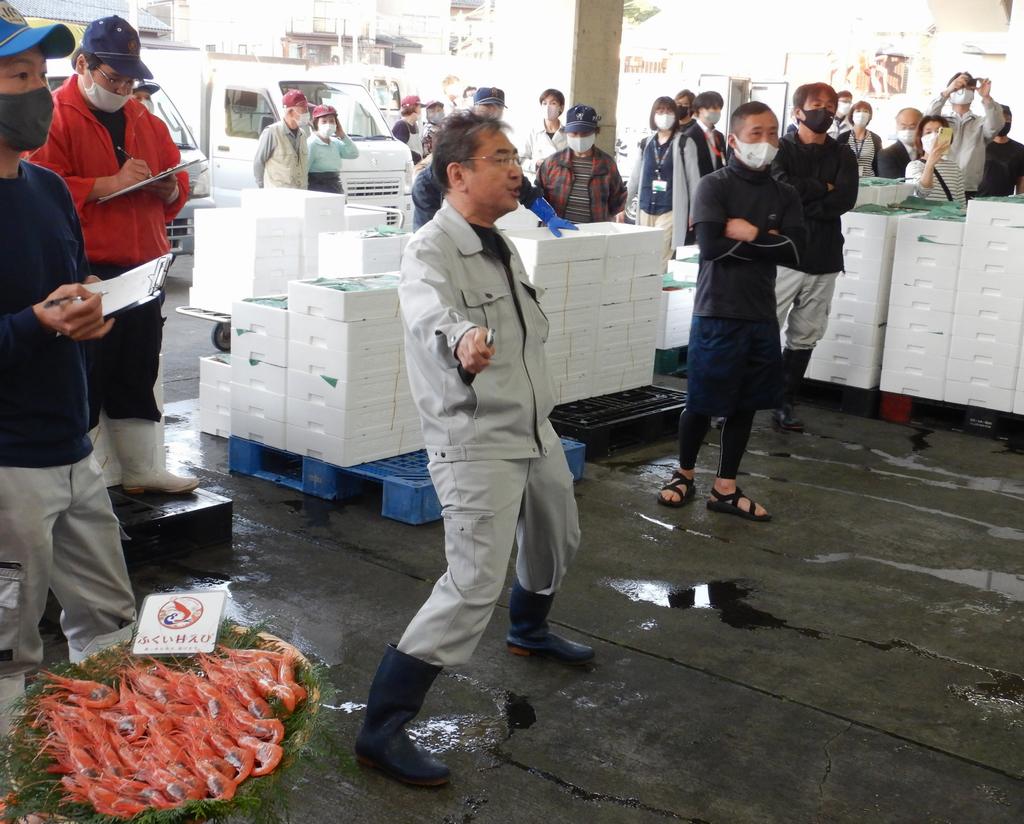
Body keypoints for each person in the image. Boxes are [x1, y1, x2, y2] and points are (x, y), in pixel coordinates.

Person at [355, 110, 593, 787]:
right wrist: (461, 338)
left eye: (516, 155)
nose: (518, 169)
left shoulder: (500, 243)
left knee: (557, 536)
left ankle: (529, 631)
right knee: (471, 582)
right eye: (500, 158)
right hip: (475, 436)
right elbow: (429, 311)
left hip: (531, 426)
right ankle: (383, 727)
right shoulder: (429, 249)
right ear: (458, 174)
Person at [0, 4, 136, 738]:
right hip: (6, 472)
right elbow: (33, 317)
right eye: (19, 76)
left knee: (111, 617)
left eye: (42, 76)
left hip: (75, 451)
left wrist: (91, 312)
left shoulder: (49, 189)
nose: (38, 93)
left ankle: (106, 765)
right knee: (5, 648)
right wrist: (34, 324)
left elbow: (73, 288)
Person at [32, 14, 196, 494]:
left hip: (146, 264)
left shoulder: (145, 117)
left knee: (138, 366)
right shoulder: (53, 114)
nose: (123, 89)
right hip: (88, 269)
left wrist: (169, 187)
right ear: (82, 64)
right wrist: (108, 184)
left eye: (129, 80)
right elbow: (40, 187)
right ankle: (80, 482)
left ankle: (142, 470)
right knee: (85, 373)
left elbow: (178, 179)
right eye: (113, 78)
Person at [656, 102, 805, 520]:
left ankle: (725, 487)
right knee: (702, 401)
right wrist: (768, 241)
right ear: (735, 139)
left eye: (773, 133)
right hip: (717, 311)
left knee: (745, 405)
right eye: (756, 133)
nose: (766, 142)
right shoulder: (714, 186)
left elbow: (798, 251)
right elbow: (713, 248)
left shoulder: (784, 193)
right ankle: (683, 474)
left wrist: (752, 232)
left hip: (760, 314)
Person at [770, 82, 859, 433]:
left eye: (832, 104)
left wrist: (805, 198)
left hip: (824, 256)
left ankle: (784, 402)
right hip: (782, 255)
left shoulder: (843, 154)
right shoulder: (779, 148)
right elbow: (779, 189)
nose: (827, 110)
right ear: (798, 112)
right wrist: (823, 187)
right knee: (762, 328)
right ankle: (736, 401)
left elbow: (846, 199)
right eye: (817, 104)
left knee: (806, 333)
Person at [410, 87, 576, 237]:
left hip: (475, 221)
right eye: (487, 107)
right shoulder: (460, 137)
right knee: (431, 238)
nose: (492, 113)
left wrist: (548, 215)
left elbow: (521, 186)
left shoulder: (496, 141)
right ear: (474, 109)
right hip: (435, 196)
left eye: (497, 109)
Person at [627, 96, 700, 267]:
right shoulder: (646, 143)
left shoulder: (684, 143)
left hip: (670, 209)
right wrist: (624, 202)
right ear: (653, 115)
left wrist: (694, 213)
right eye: (660, 112)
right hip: (645, 207)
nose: (664, 115)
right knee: (645, 254)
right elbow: (635, 176)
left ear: (675, 115)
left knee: (660, 257)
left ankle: (656, 291)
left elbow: (694, 181)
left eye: (668, 111)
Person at [535, 104, 626, 224]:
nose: (579, 138)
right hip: (556, 235)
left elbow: (617, 202)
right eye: (574, 133)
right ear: (566, 133)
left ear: (595, 132)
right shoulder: (552, 163)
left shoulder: (607, 165)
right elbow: (536, 198)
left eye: (585, 134)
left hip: (593, 236)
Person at [926, 72, 1004, 197]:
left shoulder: (980, 123)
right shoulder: (942, 122)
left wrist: (986, 98)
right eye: (959, 87)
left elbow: (996, 125)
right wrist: (946, 93)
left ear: (973, 94)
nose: (962, 91)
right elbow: (928, 120)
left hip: (969, 187)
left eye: (967, 87)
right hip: (940, 183)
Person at [251, 88, 309, 189]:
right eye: (303, 109)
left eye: (307, 109)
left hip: (300, 195)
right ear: (290, 111)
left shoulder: (303, 135)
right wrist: (262, 187)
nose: (307, 113)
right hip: (278, 195)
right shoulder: (272, 132)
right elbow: (258, 162)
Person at [904, 116, 965, 206]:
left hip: (949, 218)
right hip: (922, 219)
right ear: (920, 138)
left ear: (947, 136)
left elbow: (961, 202)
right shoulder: (914, 166)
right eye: (928, 132)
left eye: (938, 131)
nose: (934, 136)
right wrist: (930, 163)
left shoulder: (954, 168)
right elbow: (920, 192)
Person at [306, 103, 358, 194]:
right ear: (316, 123)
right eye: (324, 121)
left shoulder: (335, 143)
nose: (329, 124)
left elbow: (354, 153)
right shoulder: (312, 143)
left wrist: (342, 135)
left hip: (335, 187)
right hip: (316, 188)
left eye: (331, 121)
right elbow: (304, 170)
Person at [977, 106, 1024, 197]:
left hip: (1005, 203)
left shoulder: (1020, 149)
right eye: (1000, 118)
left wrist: (1020, 203)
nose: (1005, 122)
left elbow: (1021, 180)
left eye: (1008, 119)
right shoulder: (980, 145)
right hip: (976, 200)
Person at [522, 88, 567, 176]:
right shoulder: (532, 132)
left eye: (553, 103)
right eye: (544, 103)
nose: (548, 107)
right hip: (536, 184)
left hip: (560, 184)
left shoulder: (568, 134)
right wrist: (535, 164)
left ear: (561, 107)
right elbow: (520, 160)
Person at [683, 91, 727, 179]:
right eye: (714, 108)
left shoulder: (719, 136)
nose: (718, 111)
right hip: (699, 186)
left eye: (719, 108)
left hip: (717, 186)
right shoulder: (689, 136)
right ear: (700, 109)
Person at [837, 100, 882, 177]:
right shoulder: (843, 137)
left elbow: (878, 164)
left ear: (869, 116)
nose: (862, 114)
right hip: (847, 181)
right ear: (852, 115)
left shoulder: (876, 139)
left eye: (865, 111)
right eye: (858, 111)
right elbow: (837, 162)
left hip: (870, 182)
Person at [877, 107, 922, 179]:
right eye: (903, 127)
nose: (907, 130)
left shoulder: (926, 151)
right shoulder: (887, 154)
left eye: (912, 127)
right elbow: (892, 184)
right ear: (897, 127)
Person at [392, 94, 423, 163]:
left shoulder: (414, 125)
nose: (421, 111)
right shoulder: (401, 126)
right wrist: (417, 157)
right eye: (419, 107)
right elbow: (400, 149)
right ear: (412, 108)